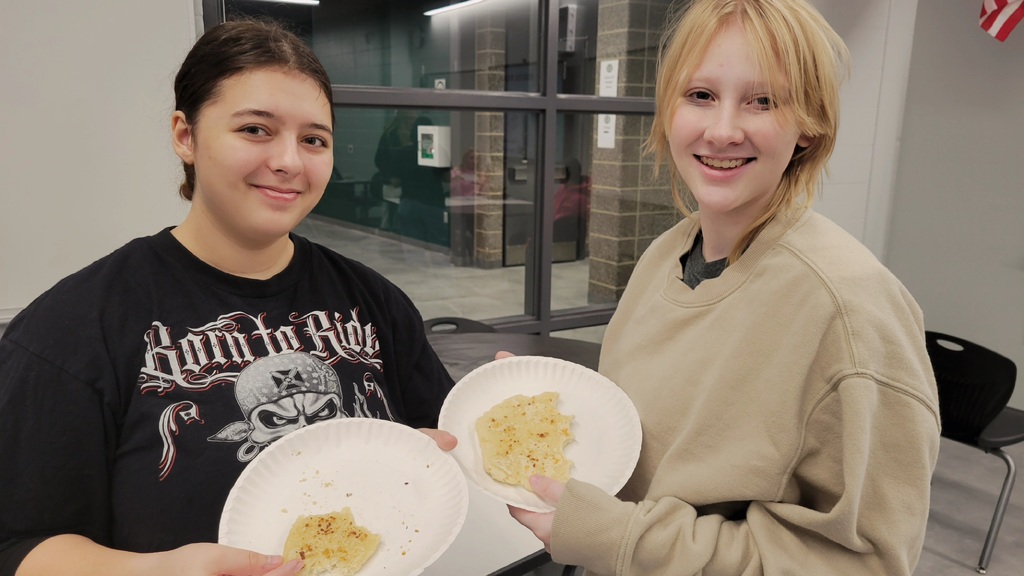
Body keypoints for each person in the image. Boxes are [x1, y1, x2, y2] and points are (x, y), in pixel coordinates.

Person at [0, 19, 455, 576]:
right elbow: (17, 544)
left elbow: (442, 450)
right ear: (185, 136)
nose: (290, 161)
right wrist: (161, 572)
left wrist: (481, 421)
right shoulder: (74, 327)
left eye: (314, 139)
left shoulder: (373, 301)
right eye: (256, 130)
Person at [506, 1, 941, 574]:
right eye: (701, 95)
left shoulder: (851, 311)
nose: (723, 130)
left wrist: (617, 538)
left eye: (763, 101)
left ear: (810, 125)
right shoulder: (669, 252)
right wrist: (555, 409)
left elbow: (864, 564)